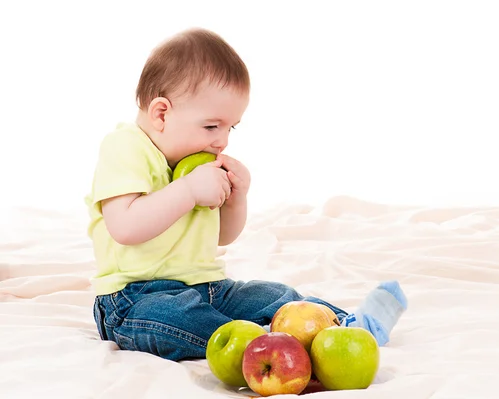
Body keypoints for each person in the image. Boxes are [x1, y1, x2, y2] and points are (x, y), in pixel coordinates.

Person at [85, 27, 407, 362]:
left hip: (209, 287)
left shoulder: (201, 166)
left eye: (230, 128)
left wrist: (237, 197)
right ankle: (270, 345)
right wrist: (189, 190)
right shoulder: (125, 148)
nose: (222, 140)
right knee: (177, 318)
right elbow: (124, 227)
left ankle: (346, 327)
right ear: (162, 113)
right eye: (212, 126)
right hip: (134, 298)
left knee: (273, 295)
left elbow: (224, 236)